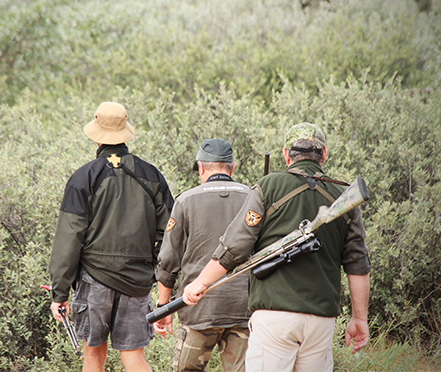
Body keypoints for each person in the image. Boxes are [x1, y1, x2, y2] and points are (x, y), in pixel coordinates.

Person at [183, 122, 371, 372]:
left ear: (286, 154)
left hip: (274, 315)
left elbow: (235, 248)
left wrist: (200, 283)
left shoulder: (268, 186)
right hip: (322, 320)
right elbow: (358, 265)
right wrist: (359, 318)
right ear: (324, 154)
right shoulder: (343, 196)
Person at [49, 102, 174, 372]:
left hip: (93, 280)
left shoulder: (84, 178)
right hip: (137, 282)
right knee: (135, 358)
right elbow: (171, 232)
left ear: (96, 136)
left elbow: (69, 239)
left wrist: (60, 292)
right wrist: (151, 268)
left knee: (93, 357)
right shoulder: (152, 176)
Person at [154, 139, 251, 372]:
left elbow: (168, 259)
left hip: (198, 308)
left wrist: (163, 306)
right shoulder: (252, 197)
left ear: (201, 167)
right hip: (244, 309)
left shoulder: (186, 200)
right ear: (233, 167)